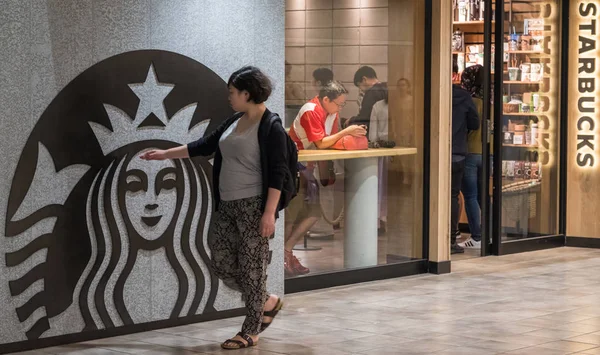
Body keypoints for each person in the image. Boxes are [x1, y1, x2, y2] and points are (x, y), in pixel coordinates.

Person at [140, 66, 286, 350]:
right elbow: (204, 145)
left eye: (232, 92)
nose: (229, 97)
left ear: (247, 93)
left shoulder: (271, 127)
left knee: (252, 268)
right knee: (221, 264)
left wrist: (269, 213)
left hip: (254, 207)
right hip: (227, 205)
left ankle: (250, 331)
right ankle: (266, 300)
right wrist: (165, 155)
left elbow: (278, 173)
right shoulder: (235, 120)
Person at [285, 81, 367, 277]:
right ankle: (283, 254)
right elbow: (321, 143)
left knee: (312, 213)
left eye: (342, 105)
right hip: (294, 167)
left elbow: (330, 141)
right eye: (338, 104)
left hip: (308, 168)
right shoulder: (310, 110)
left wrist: (349, 132)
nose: (340, 108)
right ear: (325, 99)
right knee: (293, 214)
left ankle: (286, 251)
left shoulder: (331, 112)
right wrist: (347, 131)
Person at [459, 65, 493, 249]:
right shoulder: (491, 102)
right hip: (488, 152)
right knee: (483, 195)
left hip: (470, 151)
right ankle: (490, 233)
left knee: (470, 196)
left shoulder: (470, 101)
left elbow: (466, 126)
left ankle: (477, 236)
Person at [451, 64, 480, 254]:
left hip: (435, 152)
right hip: (459, 152)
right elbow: (475, 123)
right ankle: (452, 238)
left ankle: (433, 237)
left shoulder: (430, 92)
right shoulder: (464, 96)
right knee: (455, 196)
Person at [347, 66, 387, 134]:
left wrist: (351, 120)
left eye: (360, 86)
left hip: (376, 133)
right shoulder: (387, 87)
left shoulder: (371, 92)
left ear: (364, 79)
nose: (362, 91)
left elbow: (364, 119)